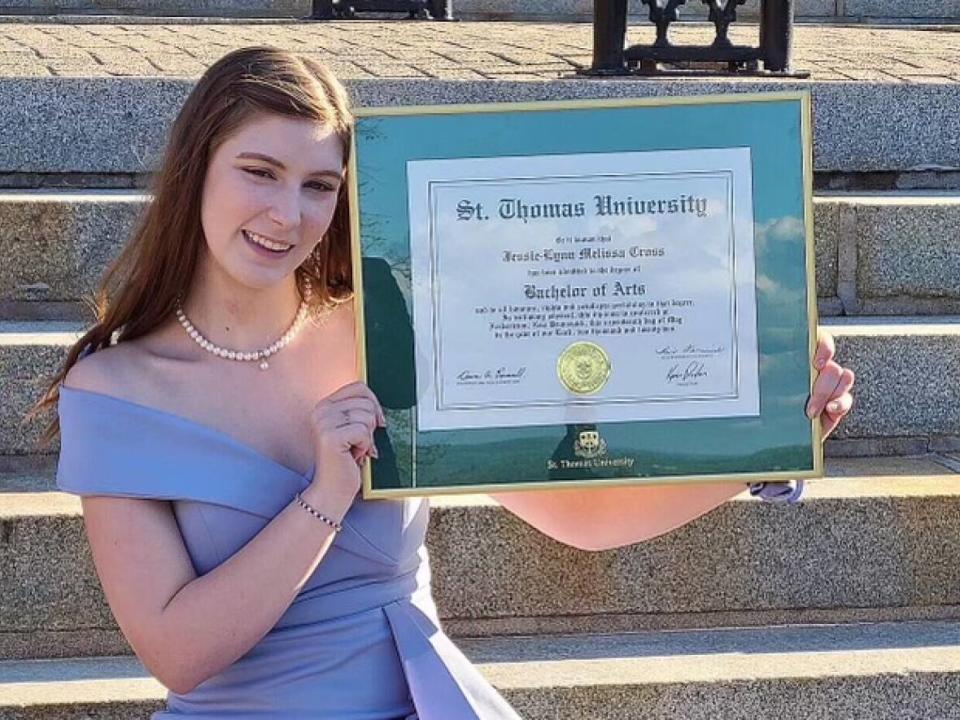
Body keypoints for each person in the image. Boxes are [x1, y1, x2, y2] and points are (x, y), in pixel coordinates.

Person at [33, 46, 854, 719]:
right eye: (259, 171)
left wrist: (769, 445)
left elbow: (581, 513)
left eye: (319, 185)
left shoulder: (385, 331)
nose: (289, 213)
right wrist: (326, 490)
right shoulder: (115, 389)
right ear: (195, 168)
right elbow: (178, 652)